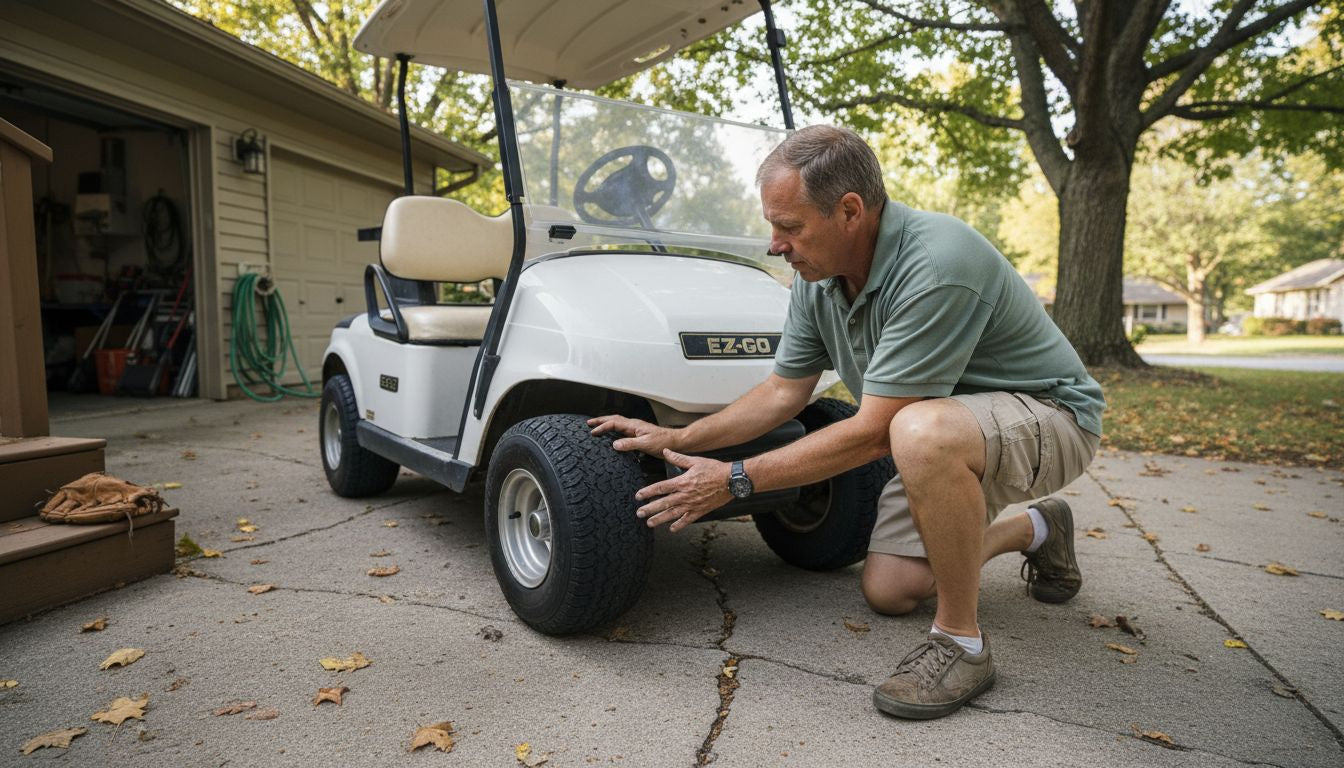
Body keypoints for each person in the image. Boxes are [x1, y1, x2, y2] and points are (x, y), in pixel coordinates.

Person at [587, 125, 1104, 720]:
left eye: (790, 226)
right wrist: (677, 436)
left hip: (1049, 417)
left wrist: (734, 478)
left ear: (850, 210)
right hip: (953, 429)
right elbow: (783, 391)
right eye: (773, 225)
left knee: (915, 431)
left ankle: (962, 643)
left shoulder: (938, 261)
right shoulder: (819, 278)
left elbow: (877, 431)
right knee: (890, 590)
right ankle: (1036, 530)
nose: (775, 244)